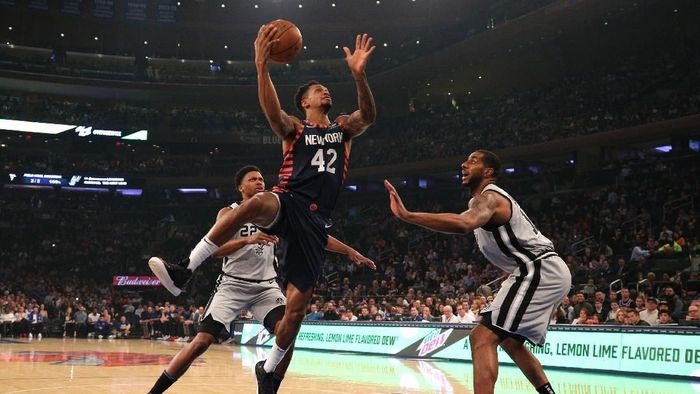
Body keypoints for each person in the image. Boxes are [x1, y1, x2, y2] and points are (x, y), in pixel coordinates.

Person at [148, 25, 377, 394]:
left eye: (326, 88)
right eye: (318, 90)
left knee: (295, 315)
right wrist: (261, 65)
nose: (325, 91)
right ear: (304, 102)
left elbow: (367, 115)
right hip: (288, 200)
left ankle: (268, 372)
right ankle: (185, 269)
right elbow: (272, 112)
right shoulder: (294, 130)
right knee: (257, 202)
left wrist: (359, 75)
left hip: (316, 222)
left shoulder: (343, 129)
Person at [147, 166, 374, 394]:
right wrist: (248, 240)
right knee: (201, 342)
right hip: (232, 285)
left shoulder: (278, 213)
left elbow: (316, 234)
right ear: (241, 187)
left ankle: (269, 382)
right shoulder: (228, 213)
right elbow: (216, 251)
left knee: (288, 333)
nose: (259, 182)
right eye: (252, 179)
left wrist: (349, 251)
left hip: (265, 287)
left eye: (261, 179)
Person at [385, 150, 571, 394]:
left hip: (538, 269)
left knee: (481, 338)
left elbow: (463, 224)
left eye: (472, 161)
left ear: (488, 172)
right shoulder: (484, 201)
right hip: (537, 269)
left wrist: (408, 216)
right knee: (510, 341)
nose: (464, 163)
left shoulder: (489, 198)